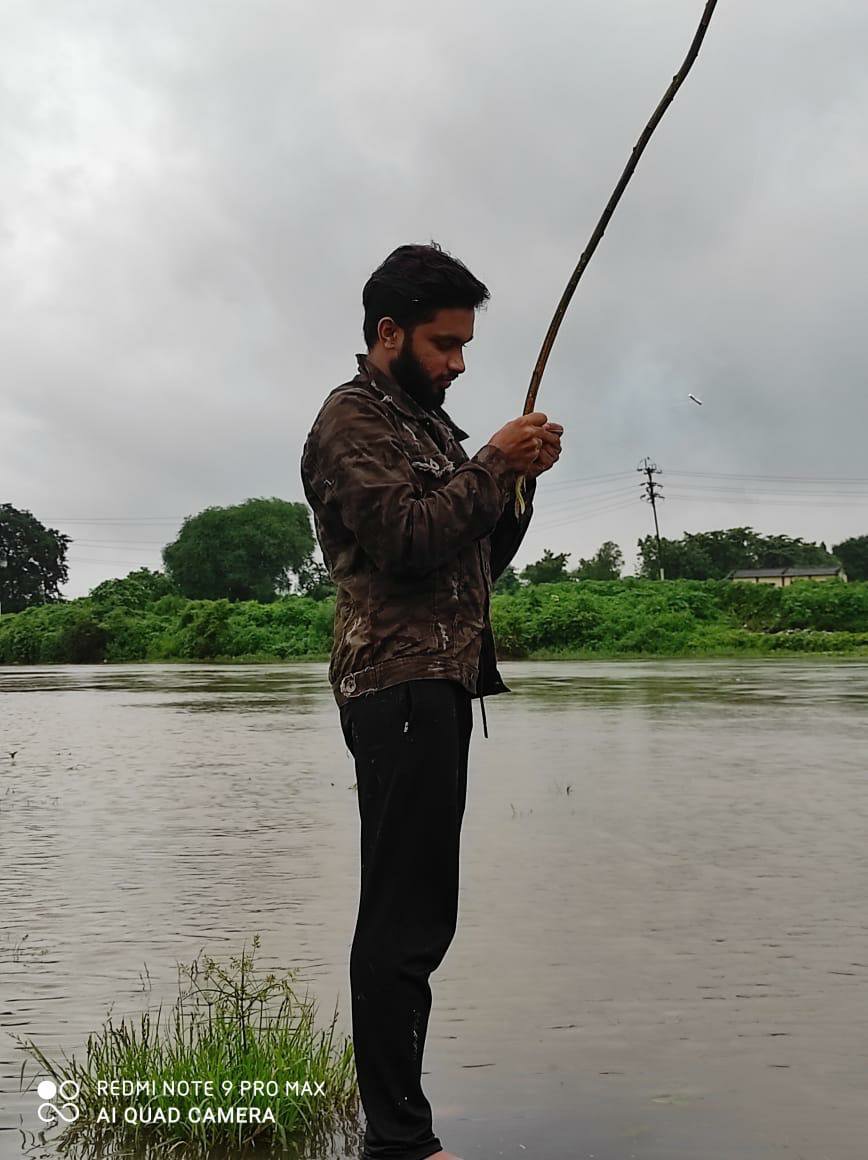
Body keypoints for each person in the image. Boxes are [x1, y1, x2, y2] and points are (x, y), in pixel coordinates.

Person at [300, 243, 563, 1160]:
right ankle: (400, 1141)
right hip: (396, 684)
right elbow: (410, 541)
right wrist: (495, 459)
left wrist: (516, 487)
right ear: (388, 333)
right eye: (444, 344)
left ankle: (398, 1132)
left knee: (422, 912)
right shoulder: (352, 422)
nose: (457, 363)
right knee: (403, 917)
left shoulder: (429, 430)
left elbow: (475, 561)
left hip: (438, 684)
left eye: (464, 348)